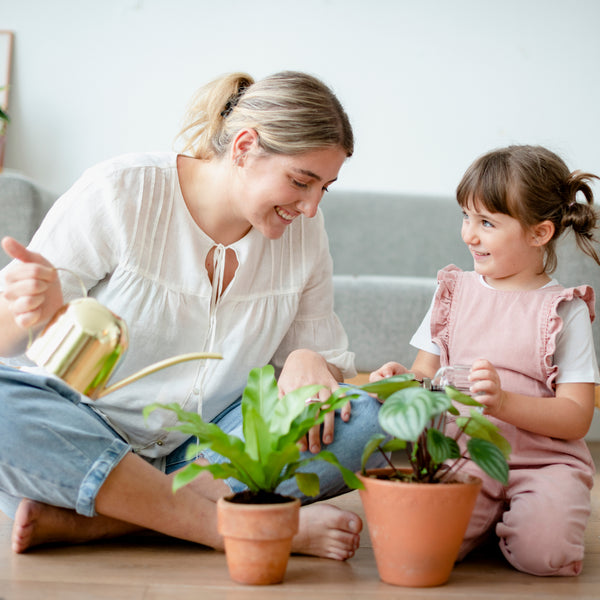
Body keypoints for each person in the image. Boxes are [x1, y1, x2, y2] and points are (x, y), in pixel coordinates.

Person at [0, 71, 385, 560]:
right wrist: (27, 308)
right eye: (301, 182)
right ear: (244, 146)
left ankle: (103, 522)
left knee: (370, 417)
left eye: (324, 189)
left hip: (208, 452)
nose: (310, 208)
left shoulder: (304, 235)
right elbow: (6, 343)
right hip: (84, 438)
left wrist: (311, 360)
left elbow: (320, 375)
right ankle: (231, 524)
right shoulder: (122, 191)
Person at [370, 145, 599, 576]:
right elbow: (425, 374)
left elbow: (576, 417)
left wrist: (503, 404)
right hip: (466, 456)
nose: (468, 235)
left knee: (546, 556)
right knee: (423, 547)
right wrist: (401, 380)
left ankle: (525, 520)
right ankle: (496, 519)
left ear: (539, 233)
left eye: (487, 223)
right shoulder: (453, 292)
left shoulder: (564, 309)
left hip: (546, 463)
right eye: (465, 217)